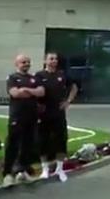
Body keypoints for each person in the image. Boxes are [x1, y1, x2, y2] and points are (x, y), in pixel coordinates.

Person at [35, 52, 79, 182]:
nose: (54, 61)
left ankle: (59, 169)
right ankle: (45, 169)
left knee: (60, 140)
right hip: (43, 115)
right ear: (45, 61)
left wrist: (68, 101)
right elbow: (35, 91)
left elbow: (74, 87)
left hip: (58, 114)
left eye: (56, 59)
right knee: (43, 141)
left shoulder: (62, 74)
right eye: (51, 59)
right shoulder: (39, 75)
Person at [3, 54, 44, 186]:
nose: (26, 64)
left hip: (31, 117)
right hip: (17, 116)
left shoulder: (34, 78)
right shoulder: (12, 78)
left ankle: (23, 172)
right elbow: (15, 93)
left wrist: (25, 90)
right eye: (23, 62)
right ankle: (8, 174)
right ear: (17, 64)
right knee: (13, 145)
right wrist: (32, 92)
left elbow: (41, 92)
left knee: (28, 145)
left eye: (28, 62)